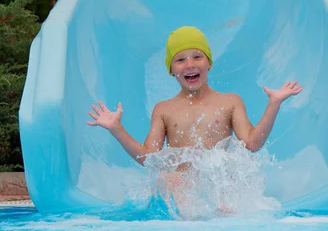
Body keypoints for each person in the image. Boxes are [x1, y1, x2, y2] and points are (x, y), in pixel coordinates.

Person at [87, 26, 302, 215]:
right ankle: (191, 218)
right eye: (180, 59)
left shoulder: (230, 102)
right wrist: (117, 129)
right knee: (169, 178)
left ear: (209, 63)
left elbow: (252, 144)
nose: (190, 64)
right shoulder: (164, 109)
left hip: (218, 187)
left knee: (229, 175)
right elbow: (149, 158)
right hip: (185, 193)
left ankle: (224, 212)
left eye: (197, 57)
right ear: (171, 70)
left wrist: (274, 104)